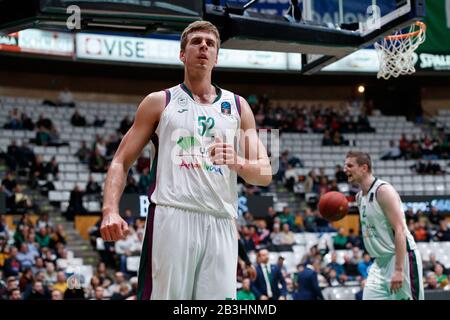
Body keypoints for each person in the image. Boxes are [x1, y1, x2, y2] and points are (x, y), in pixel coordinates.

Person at [100, 21, 271, 300]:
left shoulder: (239, 107)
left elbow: (264, 174)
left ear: (217, 57)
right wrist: (110, 210)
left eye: (210, 43)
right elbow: (120, 160)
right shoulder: (160, 102)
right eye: (196, 42)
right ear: (182, 54)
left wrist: (238, 162)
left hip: (222, 221)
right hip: (172, 214)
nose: (204, 46)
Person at [344, 151, 424, 300]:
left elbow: (400, 230)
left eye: (349, 165)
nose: (345, 169)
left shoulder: (383, 191)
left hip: (402, 258)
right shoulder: (359, 197)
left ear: (364, 168)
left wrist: (399, 269)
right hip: (380, 262)